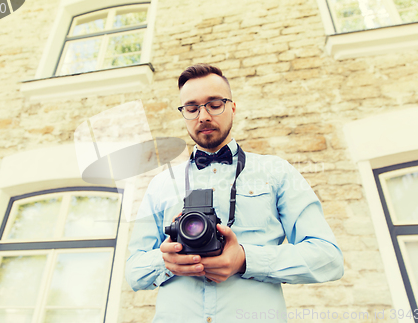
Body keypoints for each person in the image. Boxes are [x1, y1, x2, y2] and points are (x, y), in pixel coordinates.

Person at [125, 64, 344, 323]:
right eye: (192, 108)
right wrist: (166, 261)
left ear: (232, 107)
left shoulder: (276, 172)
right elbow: (133, 271)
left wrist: (245, 259)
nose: (203, 116)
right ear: (183, 113)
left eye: (214, 104)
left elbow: (328, 258)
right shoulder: (161, 183)